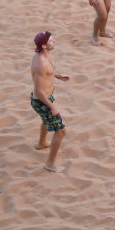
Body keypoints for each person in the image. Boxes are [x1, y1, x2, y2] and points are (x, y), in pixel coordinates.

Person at [30, 31, 70, 172]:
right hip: (42, 100)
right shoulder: (41, 64)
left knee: (46, 120)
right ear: (44, 45)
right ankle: (50, 164)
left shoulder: (42, 55)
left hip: (45, 98)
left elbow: (48, 72)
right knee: (61, 131)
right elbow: (39, 91)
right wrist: (52, 107)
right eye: (51, 41)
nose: (54, 42)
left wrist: (58, 76)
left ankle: (41, 143)